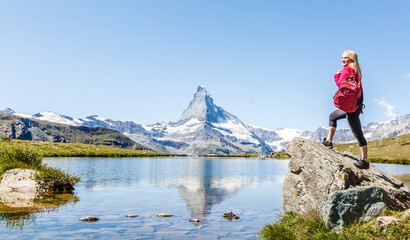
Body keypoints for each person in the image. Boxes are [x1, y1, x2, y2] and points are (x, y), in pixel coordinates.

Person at [322, 50, 369, 169]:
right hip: (356, 105)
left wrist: (336, 75)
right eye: (342, 58)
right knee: (333, 116)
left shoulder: (347, 69)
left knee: (357, 133)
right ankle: (328, 141)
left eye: (346, 58)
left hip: (350, 108)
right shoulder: (357, 70)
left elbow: (340, 84)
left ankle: (364, 161)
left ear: (351, 59)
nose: (343, 60)